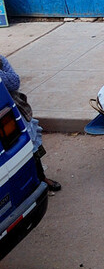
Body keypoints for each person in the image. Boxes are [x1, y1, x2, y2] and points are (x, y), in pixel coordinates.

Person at [0, 55, 61, 191]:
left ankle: (40, 177)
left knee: (27, 141)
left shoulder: (1, 60)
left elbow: (14, 82)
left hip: (8, 110)